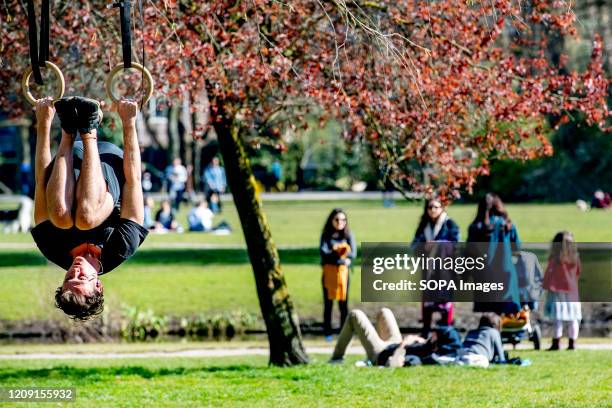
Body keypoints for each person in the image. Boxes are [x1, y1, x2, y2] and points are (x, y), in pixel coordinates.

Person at [31, 97, 148, 321]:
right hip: (109, 164)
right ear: (99, 285)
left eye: (69, 278)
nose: (75, 271)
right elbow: (133, 182)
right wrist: (129, 123)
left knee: (62, 218)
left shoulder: (51, 248)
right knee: (85, 219)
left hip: (68, 162)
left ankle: (68, 129)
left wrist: (44, 122)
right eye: (82, 278)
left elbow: (41, 181)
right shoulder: (121, 248)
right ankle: (89, 130)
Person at [329, 308, 462, 367]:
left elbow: (398, 361)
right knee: (385, 312)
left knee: (355, 315)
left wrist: (405, 343)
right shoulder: (431, 346)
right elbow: (427, 344)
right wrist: (418, 340)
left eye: (434, 335)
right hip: (394, 343)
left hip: (381, 353)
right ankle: (374, 340)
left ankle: (336, 358)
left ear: (439, 342)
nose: (431, 334)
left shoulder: (427, 357)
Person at [411, 198, 460, 336]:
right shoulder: (423, 226)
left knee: (445, 300)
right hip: (428, 270)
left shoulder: (450, 224)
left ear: (442, 208)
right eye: (430, 207)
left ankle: (446, 330)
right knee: (428, 301)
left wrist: (439, 245)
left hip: (446, 270)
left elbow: (457, 245)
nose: (433, 210)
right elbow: (414, 246)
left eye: (436, 207)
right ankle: (426, 330)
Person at [467, 193, 521, 314]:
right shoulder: (506, 226)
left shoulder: (474, 227)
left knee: (489, 311)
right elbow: (517, 247)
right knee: (506, 309)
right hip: (505, 272)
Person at [320, 209, 357, 341]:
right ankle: (327, 332)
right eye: (337, 219)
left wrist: (338, 254)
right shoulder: (326, 235)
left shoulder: (348, 235)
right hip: (329, 274)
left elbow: (353, 254)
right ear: (331, 221)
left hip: (343, 275)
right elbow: (324, 253)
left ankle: (344, 332)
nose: (340, 222)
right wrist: (341, 256)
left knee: (343, 304)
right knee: (328, 304)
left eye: (343, 220)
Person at [543, 231, 581, 351]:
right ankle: (572, 343)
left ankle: (556, 343)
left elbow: (549, 274)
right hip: (572, 292)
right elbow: (578, 272)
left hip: (557, 291)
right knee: (573, 318)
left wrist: (544, 285)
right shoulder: (575, 257)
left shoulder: (555, 259)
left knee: (557, 318)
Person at [433, 313, 506, 368]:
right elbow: (501, 358)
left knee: (458, 360)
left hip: (461, 354)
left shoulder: (471, 332)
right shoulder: (494, 332)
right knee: (483, 362)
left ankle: (440, 359)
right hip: (478, 357)